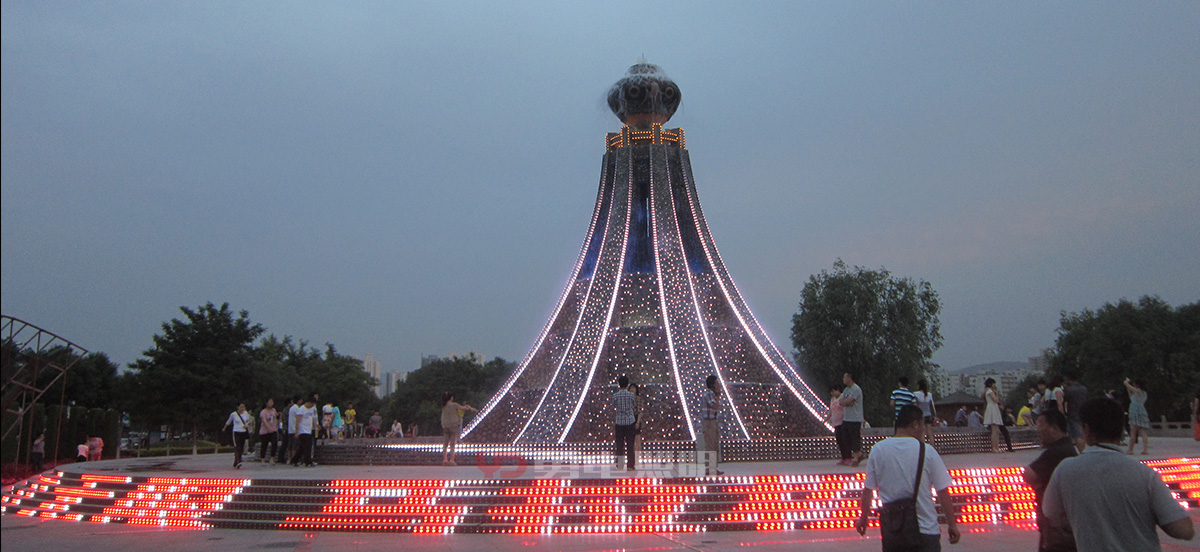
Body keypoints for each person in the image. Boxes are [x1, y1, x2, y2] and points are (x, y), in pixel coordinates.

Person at [1043, 397, 1194, 551]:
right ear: (1121, 430)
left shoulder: (1065, 470)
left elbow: (1051, 514)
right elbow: (1184, 530)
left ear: (1086, 430)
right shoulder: (1145, 474)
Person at [855, 405, 960, 551]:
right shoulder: (927, 451)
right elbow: (943, 492)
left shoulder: (878, 450)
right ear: (915, 424)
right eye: (922, 425)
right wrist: (952, 524)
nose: (924, 430)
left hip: (894, 531)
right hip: (926, 531)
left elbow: (868, 490)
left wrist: (863, 518)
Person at [1023, 409, 1077, 552]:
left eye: (1041, 425)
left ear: (1054, 429)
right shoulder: (1066, 449)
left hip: (1058, 531)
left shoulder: (1058, 452)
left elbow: (1029, 475)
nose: (1037, 430)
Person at [440, 391, 478, 466]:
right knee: (453, 444)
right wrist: (469, 407)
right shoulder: (454, 405)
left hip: (445, 425)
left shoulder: (443, 406)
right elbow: (463, 408)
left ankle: (444, 459)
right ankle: (452, 459)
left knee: (445, 444)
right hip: (453, 425)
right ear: (451, 398)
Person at [839, 372, 865, 467]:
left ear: (849, 378)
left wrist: (847, 402)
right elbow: (841, 402)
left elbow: (848, 401)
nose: (843, 379)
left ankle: (856, 458)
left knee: (855, 438)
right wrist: (846, 402)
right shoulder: (846, 390)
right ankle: (860, 455)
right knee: (845, 437)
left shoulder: (856, 389)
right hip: (846, 418)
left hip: (855, 418)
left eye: (845, 377)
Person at [700, 375, 724, 475]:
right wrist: (718, 396)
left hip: (713, 421)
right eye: (716, 383)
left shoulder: (712, 394)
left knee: (715, 445)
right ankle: (709, 469)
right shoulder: (708, 394)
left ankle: (714, 467)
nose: (718, 385)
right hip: (708, 422)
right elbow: (714, 406)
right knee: (710, 446)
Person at [612, 376, 637, 471]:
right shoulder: (631, 395)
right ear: (627, 384)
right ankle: (630, 465)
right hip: (630, 421)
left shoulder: (615, 396)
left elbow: (614, 405)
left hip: (619, 422)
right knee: (630, 444)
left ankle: (620, 465)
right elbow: (633, 405)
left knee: (619, 444)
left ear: (619, 384)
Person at [983, 378, 1012, 453]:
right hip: (992, 408)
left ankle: (997, 447)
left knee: (997, 430)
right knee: (994, 430)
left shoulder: (990, 391)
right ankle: (994, 447)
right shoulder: (989, 391)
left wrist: (996, 393)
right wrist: (996, 392)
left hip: (994, 408)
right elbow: (996, 400)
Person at [1123, 378, 1151, 455]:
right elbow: (1130, 395)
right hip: (1142, 411)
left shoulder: (1137, 391)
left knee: (1133, 432)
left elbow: (1126, 384)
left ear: (1137, 385)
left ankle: (1130, 449)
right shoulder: (1144, 393)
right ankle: (1146, 449)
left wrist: (1127, 381)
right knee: (1143, 432)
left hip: (1134, 412)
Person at [1062, 373, 1087, 451]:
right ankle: (1085, 449)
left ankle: (1081, 452)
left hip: (1072, 413)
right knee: (1083, 433)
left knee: (1077, 435)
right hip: (1083, 412)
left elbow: (1064, 402)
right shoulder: (1084, 388)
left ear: (1069, 380)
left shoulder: (1068, 390)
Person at [292, 395, 318, 467]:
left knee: (303, 447)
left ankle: (295, 460)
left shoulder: (312, 409)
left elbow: (313, 418)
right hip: (302, 430)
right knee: (307, 446)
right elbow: (298, 421)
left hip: (309, 430)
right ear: (309, 402)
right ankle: (308, 461)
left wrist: (316, 425)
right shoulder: (301, 409)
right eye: (312, 404)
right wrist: (297, 431)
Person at [223, 402, 251, 468]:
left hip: (243, 432)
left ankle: (236, 461)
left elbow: (248, 420)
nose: (242, 408)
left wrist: (246, 424)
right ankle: (238, 461)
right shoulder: (233, 414)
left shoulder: (246, 414)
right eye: (241, 407)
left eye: (243, 407)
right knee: (237, 447)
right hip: (236, 431)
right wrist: (224, 428)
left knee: (241, 447)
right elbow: (228, 422)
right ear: (237, 407)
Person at [823, 384, 846, 465]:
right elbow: (831, 411)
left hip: (843, 422)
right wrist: (826, 419)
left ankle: (848, 457)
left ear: (838, 390)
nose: (832, 393)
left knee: (844, 440)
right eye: (831, 392)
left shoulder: (843, 397)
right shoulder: (832, 399)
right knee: (839, 441)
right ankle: (843, 457)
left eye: (833, 391)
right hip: (836, 423)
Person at [913, 379, 935, 445]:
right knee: (930, 432)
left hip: (921, 415)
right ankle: (932, 446)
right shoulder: (929, 394)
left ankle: (923, 447)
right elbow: (931, 405)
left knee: (922, 432)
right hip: (928, 414)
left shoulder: (916, 394)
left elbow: (915, 405)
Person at [258, 398, 279, 464]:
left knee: (274, 443)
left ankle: (272, 458)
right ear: (266, 403)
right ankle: (262, 459)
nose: (271, 403)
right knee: (264, 445)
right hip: (265, 431)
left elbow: (275, 419)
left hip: (273, 430)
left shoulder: (273, 410)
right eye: (270, 402)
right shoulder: (263, 412)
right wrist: (268, 428)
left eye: (272, 402)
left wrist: (276, 427)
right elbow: (264, 421)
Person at [277, 397, 296, 464]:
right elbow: (286, 420)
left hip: (288, 428)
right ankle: (281, 457)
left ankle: (282, 457)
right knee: (285, 444)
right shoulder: (286, 410)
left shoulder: (288, 410)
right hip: (286, 429)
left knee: (286, 443)